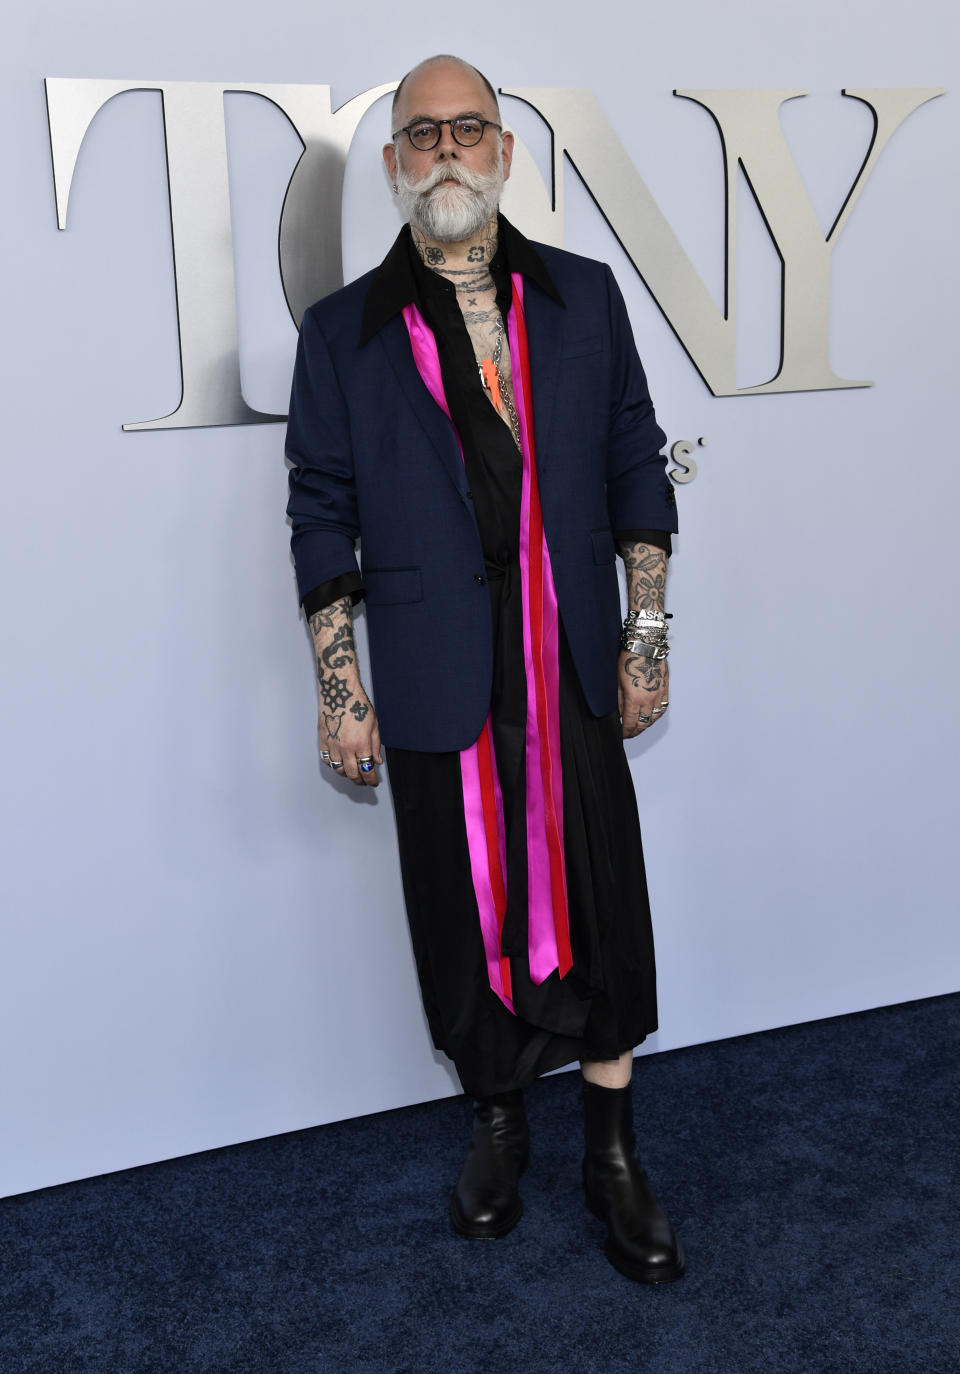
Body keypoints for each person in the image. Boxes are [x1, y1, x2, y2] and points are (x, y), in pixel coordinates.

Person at [284, 53, 684, 1284]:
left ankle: (611, 1153)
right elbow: (320, 509)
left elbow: (633, 465)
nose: (446, 151)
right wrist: (338, 685)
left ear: (506, 153)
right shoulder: (341, 332)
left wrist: (646, 631)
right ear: (397, 165)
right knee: (461, 912)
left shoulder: (585, 297)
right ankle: (499, 1127)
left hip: (567, 666)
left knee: (601, 898)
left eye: (469, 131)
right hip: (438, 674)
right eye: (422, 135)